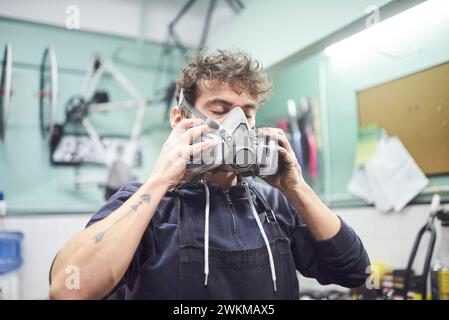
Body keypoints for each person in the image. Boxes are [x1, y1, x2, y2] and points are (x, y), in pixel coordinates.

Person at [49, 50, 370, 300]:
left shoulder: (275, 204)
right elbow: (70, 288)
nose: (237, 125)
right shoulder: (146, 204)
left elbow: (356, 272)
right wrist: (159, 180)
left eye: (246, 113)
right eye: (220, 110)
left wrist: (297, 187)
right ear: (179, 118)